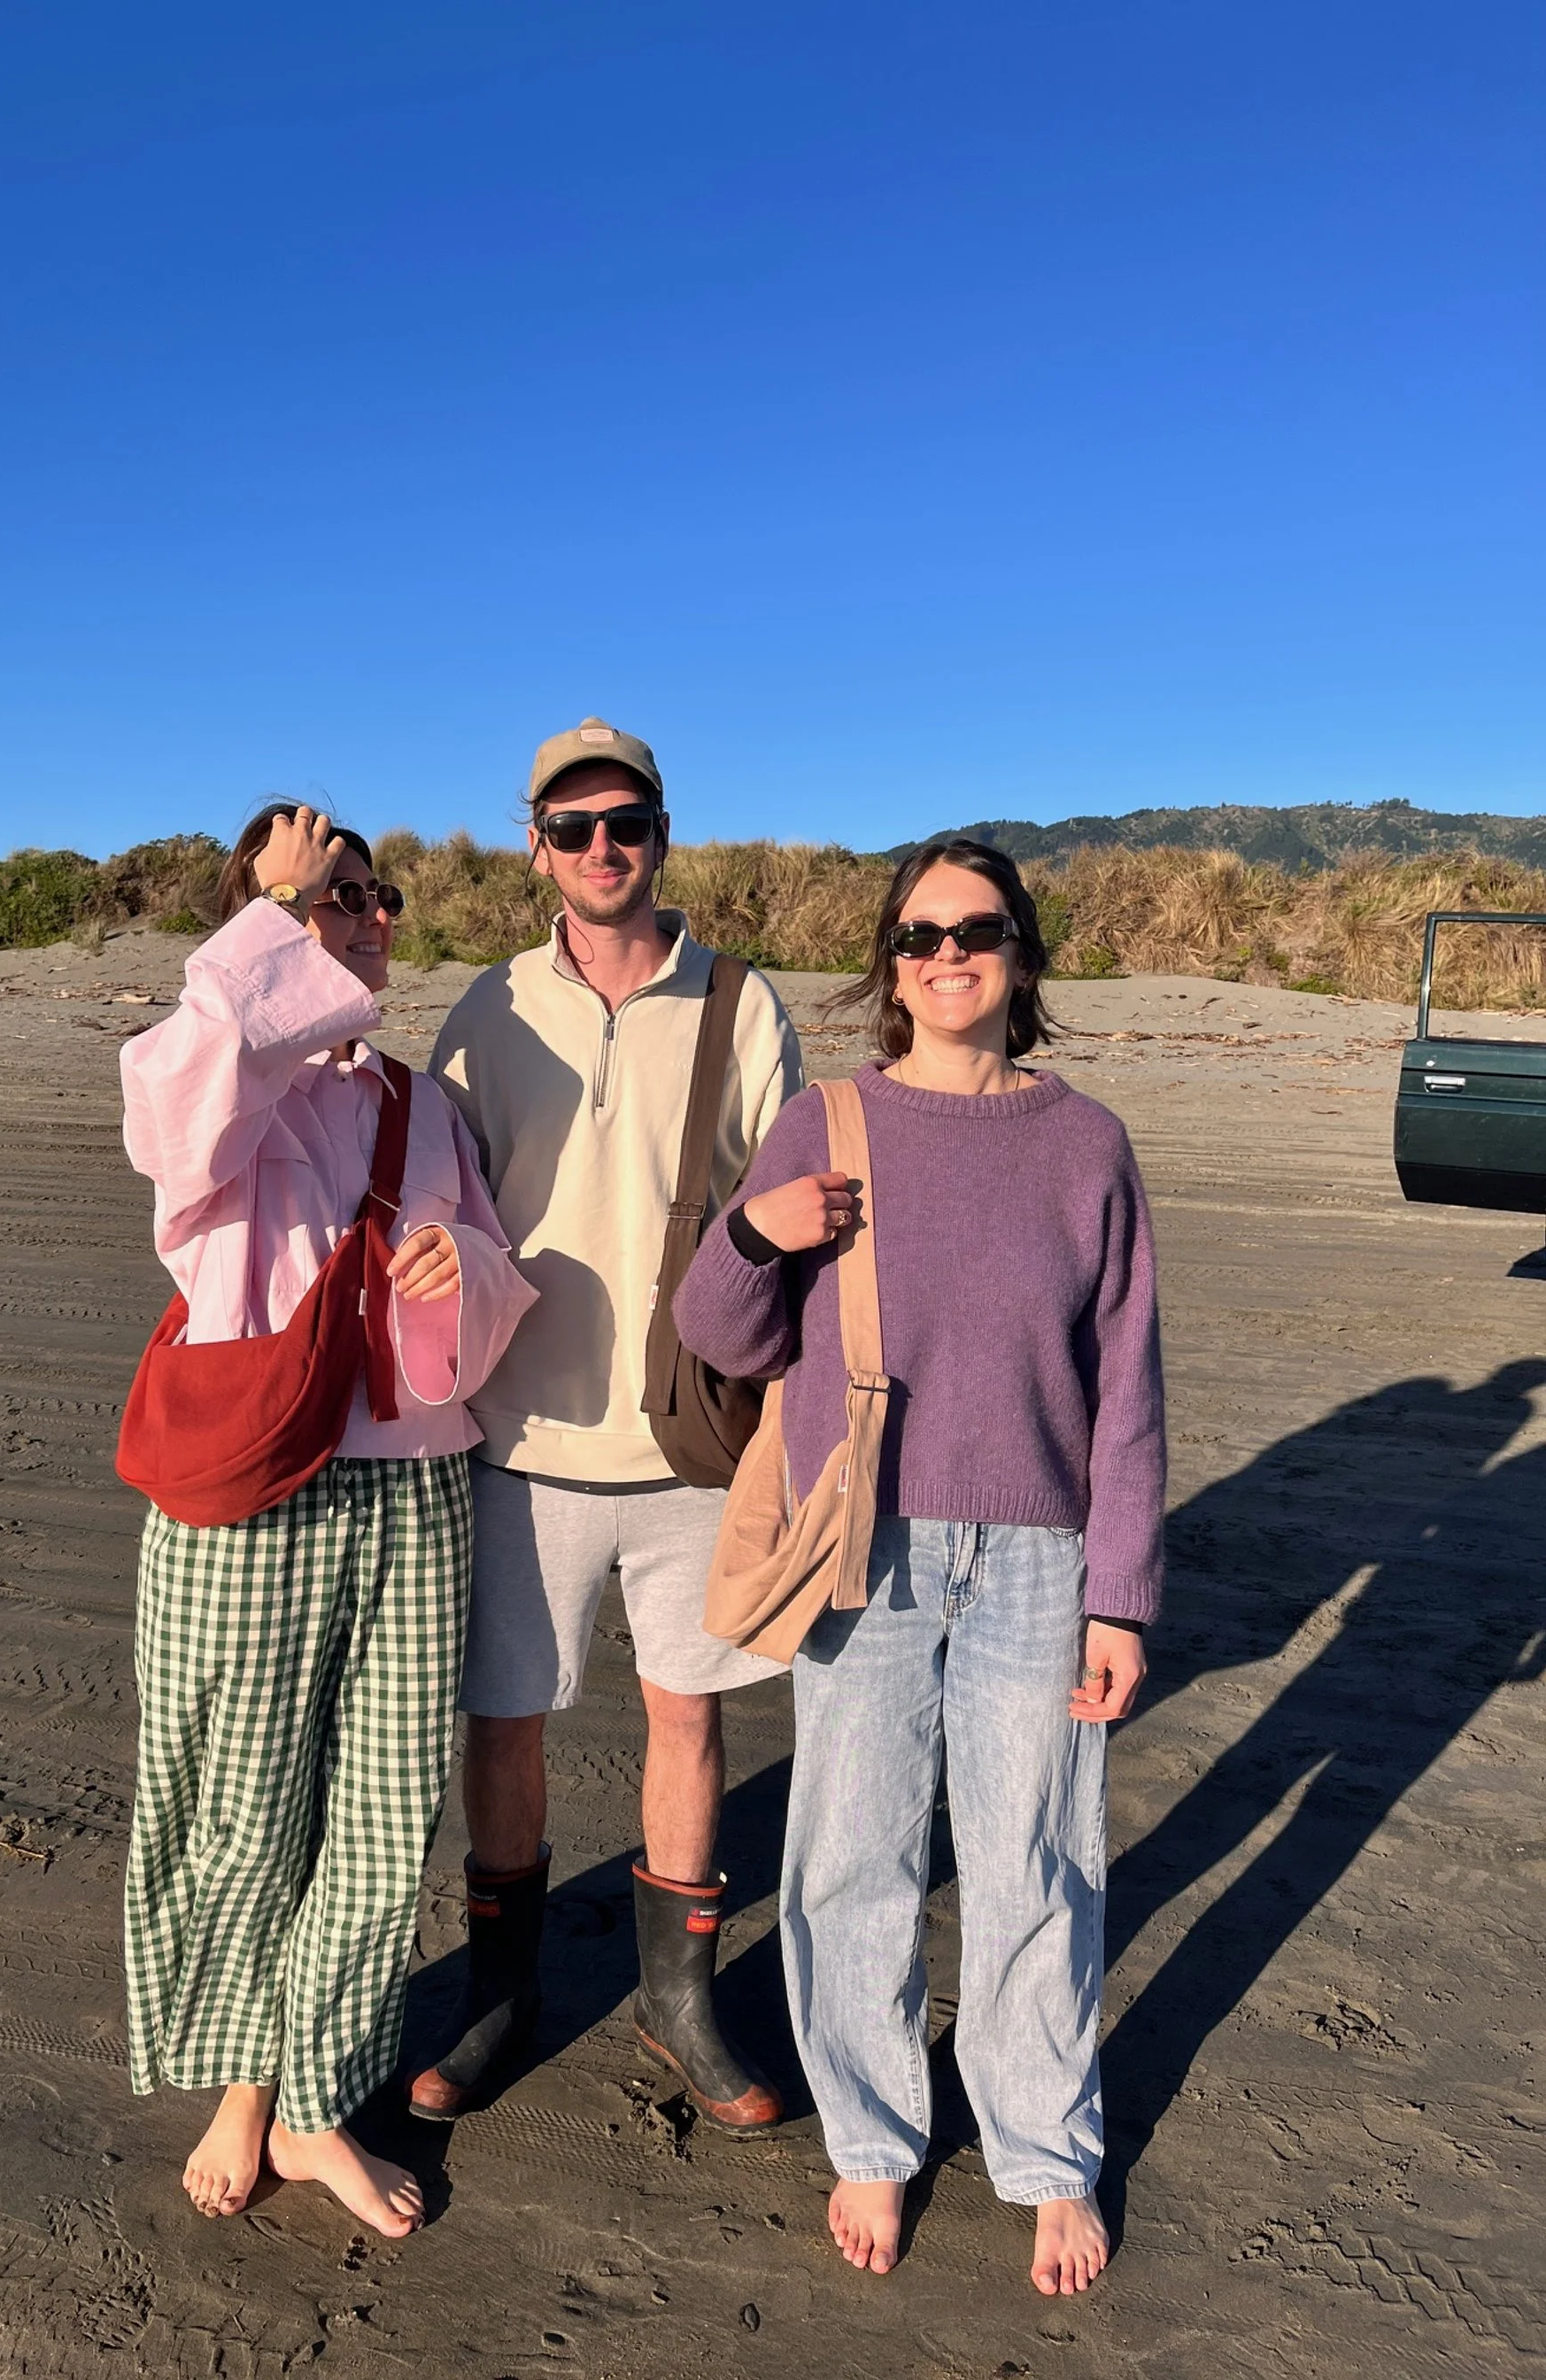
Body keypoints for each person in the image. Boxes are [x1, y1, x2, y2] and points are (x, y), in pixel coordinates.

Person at [672, 836, 1164, 2292]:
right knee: (853, 1857)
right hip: (861, 1543)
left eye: (981, 930)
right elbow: (721, 1332)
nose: (949, 955)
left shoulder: (1089, 1144)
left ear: (1024, 955)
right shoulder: (826, 1123)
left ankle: (1045, 2154)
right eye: (921, 934)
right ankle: (875, 2139)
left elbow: (1127, 1385)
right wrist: (756, 1232)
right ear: (889, 965)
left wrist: (1120, 1595)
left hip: (1040, 1552)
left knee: (1037, 1861)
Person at [120, 801, 536, 2238]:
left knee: (375, 1819)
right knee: (242, 1809)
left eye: (374, 895)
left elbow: (496, 1296)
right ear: (262, 923)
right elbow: (169, 1120)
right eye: (326, 895)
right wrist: (268, 909)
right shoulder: (211, 1073)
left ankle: (311, 2112)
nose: (357, 914)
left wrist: (460, 1271)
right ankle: (242, 2084)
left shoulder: (417, 1105)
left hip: (416, 1486)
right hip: (255, 1489)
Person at [412, 717, 805, 2129]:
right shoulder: (490, 1010)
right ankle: (501, 1991)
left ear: (660, 831)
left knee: (685, 1716)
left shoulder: (742, 1005)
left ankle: (677, 2002)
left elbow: (797, 1224)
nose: (599, 849)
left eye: (622, 823)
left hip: (694, 1443)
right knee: (503, 1724)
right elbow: (434, 1198)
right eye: (569, 828)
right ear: (534, 848)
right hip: (519, 1445)